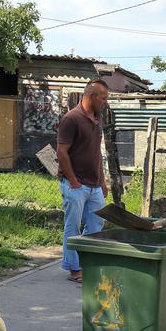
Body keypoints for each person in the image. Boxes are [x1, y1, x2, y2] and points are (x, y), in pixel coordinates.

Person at [58, 79, 107, 283]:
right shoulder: (71, 119)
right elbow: (62, 152)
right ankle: (74, 268)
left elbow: (96, 153)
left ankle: (88, 264)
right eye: (103, 98)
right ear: (92, 96)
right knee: (73, 226)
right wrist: (73, 181)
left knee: (96, 223)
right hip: (75, 184)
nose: (105, 102)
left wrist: (102, 181)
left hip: (94, 184)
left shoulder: (97, 119)